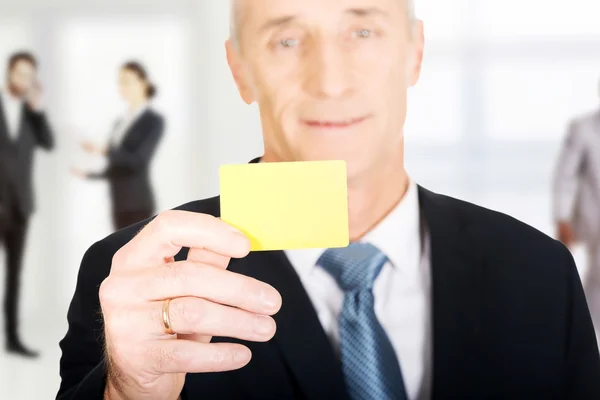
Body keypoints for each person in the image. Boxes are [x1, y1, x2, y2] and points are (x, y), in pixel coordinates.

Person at [57, 0, 600, 399]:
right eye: (286, 39)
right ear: (240, 68)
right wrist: (128, 393)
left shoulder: (539, 272)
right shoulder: (139, 279)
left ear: (414, 53)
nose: (330, 81)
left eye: (362, 31)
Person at [0, 51, 54, 358]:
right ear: (9, 73)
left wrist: (38, 108)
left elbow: (48, 143)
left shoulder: (32, 114)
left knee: (13, 276)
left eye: (29, 76)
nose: (24, 81)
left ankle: (11, 338)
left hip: (20, 208)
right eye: (20, 74)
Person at [72, 61, 165, 230]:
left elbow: (138, 161)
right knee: (119, 253)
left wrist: (104, 150)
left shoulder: (153, 121)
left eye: (128, 81)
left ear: (143, 83)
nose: (123, 86)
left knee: (139, 254)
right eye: (120, 81)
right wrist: (90, 175)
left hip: (137, 203)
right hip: (118, 202)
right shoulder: (119, 123)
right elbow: (118, 165)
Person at [553, 78, 600, 339]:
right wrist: (562, 217)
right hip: (593, 219)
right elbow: (564, 175)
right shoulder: (583, 129)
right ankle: (584, 339)